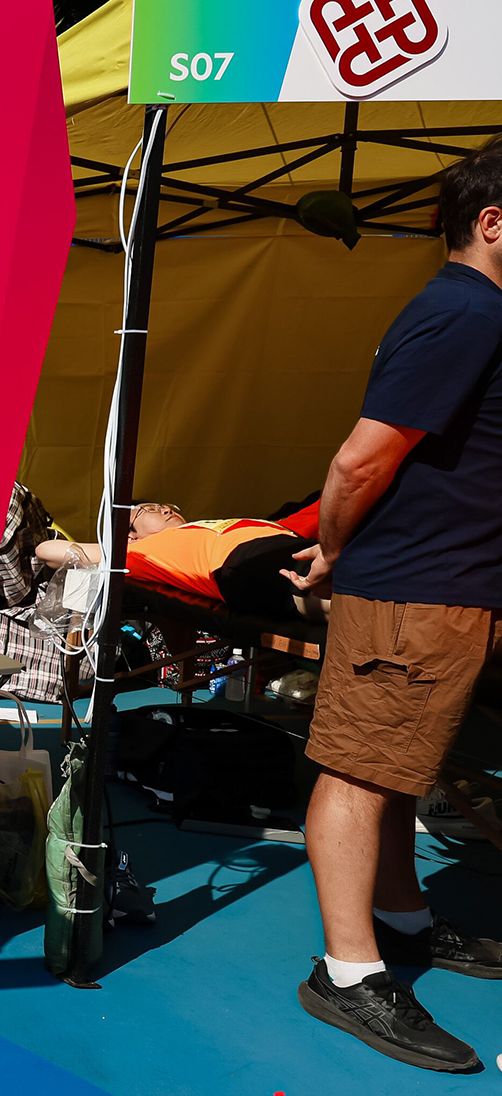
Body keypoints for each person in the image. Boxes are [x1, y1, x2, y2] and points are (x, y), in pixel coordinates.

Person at [282, 139, 502, 1073]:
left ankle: (402, 921)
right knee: (362, 770)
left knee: (397, 765)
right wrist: (336, 549)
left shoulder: (470, 311)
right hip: (417, 589)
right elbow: (359, 460)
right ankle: (349, 972)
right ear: (493, 224)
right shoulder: (466, 312)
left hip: (441, 586)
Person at [34, 502, 325, 618]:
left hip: (295, 545)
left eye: (164, 505)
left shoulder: (232, 523)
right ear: (130, 536)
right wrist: (112, 546)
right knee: (328, 597)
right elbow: (46, 551)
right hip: (240, 565)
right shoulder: (142, 552)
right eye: (147, 510)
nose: (162, 509)